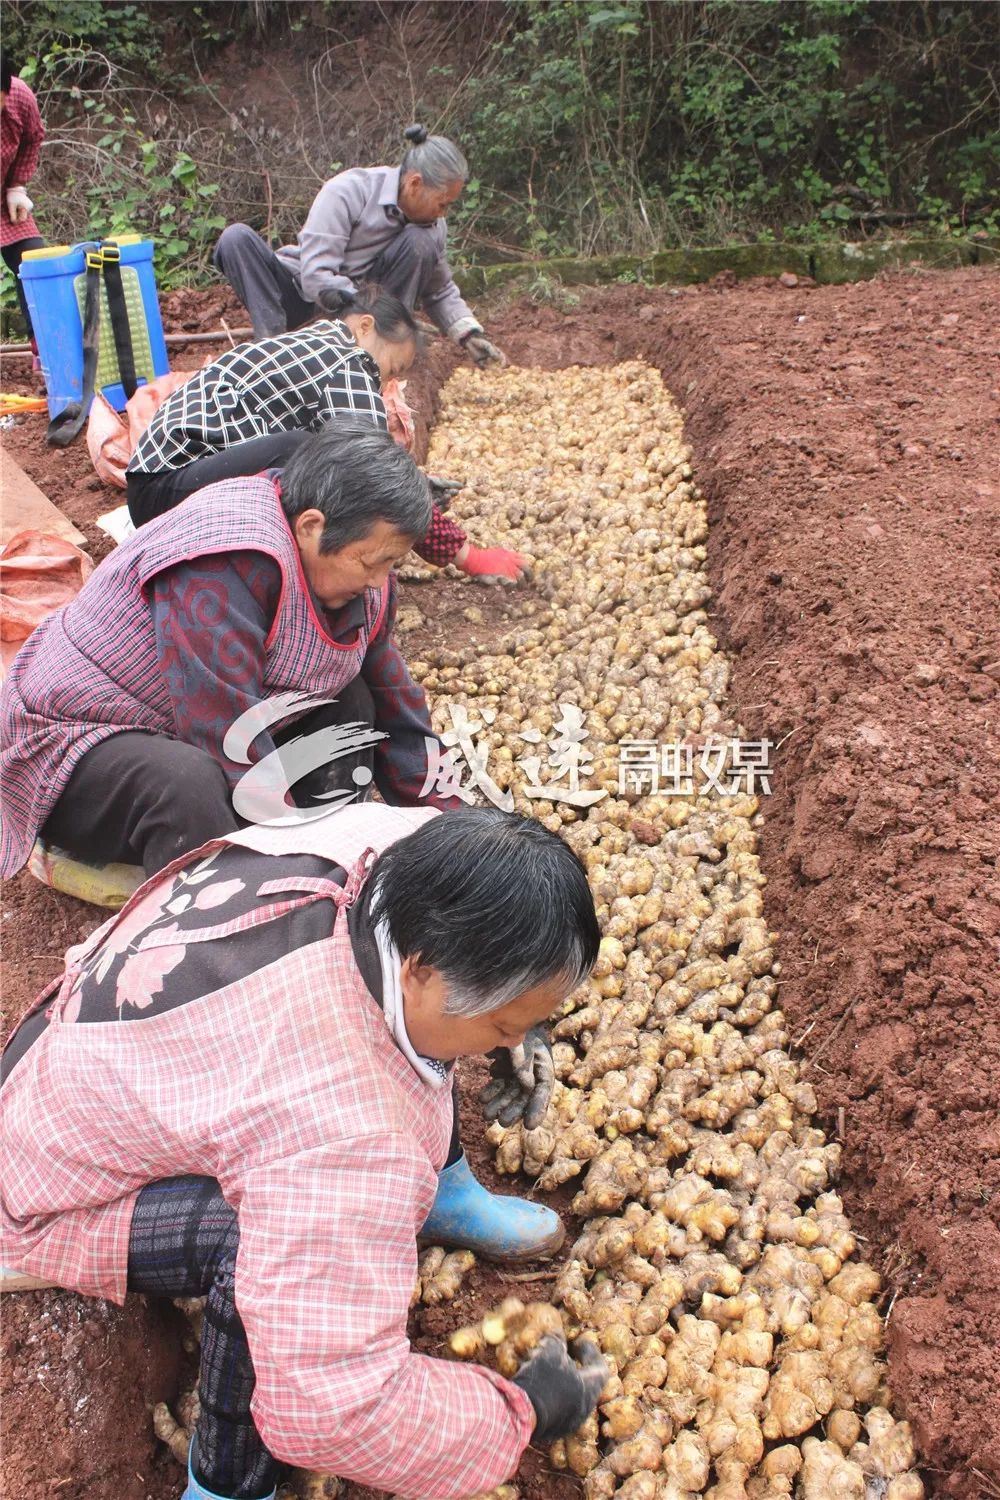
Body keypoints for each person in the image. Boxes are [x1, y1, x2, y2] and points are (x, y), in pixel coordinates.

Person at [1, 803, 608, 1500]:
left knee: (419, 1048)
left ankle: (447, 1189)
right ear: (418, 969)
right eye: (504, 1021)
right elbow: (332, 1410)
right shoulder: (345, 1133)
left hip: (94, 1045)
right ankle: (226, 1480)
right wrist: (522, 1414)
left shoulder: (388, 843)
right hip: (52, 1175)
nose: (509, 1041)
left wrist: (517, 1024)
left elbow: (415, 1038)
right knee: (252, 1248)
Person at [125, 283, 525, 580]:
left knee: (319, 461)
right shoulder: (347, 361)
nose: (385, 384)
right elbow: (372, 475)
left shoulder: (315, 343)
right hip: (167, 493)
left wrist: (413, 483)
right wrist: (468, 555)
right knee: (307, 453)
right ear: (365, 327)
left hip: (162, 483)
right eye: (390, 370)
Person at [215, 123, 505, 368]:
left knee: (422, 241)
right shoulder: (349, 191)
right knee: (235, 238)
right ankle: (272, 349)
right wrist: (372, 308)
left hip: (367, 319)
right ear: (415, 184)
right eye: (442, 203)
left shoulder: (430, 227)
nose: (444, 213)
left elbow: (439, 289)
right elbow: (317, 276)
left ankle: (384, 347)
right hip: (306, 300)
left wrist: (468, 334)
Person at [0, 53, 45, 363]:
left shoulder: (20, 96)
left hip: (3, 196)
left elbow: (33, 138)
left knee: (33, 261)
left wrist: (17, 185)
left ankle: (45, 348)